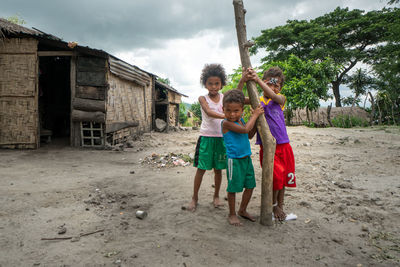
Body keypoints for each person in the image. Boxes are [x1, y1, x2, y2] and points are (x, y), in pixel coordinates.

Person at [246, 66, 297, 221]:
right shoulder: (257, 103)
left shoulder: (280, 100)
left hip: (284, 146)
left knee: (283, 178)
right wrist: (246, 79)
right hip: (268, 148)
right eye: (271, 84)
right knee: (275, 177)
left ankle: (280, 206)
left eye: (277, 85)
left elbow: (275, 96)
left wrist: (258, 80)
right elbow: (238, 99)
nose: (274, 88)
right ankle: (273, 205)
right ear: (264, 83)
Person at [186, 63, 228, 212]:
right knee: (201, 169)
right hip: (206, 138)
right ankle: (194, 198)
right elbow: (209, 112)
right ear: (205, 84)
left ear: (222, 84)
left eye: (217, 83)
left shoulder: (225, 97)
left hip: (221, 138)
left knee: (218, 170)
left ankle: (216, 196)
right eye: (210, 83)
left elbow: (239, 95)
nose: (214, 87)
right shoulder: (202, 98)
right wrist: (225, 115)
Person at [221, 89, 264, 226]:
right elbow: (245, 130)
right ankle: (232, 214)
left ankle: (242, 210)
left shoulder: (241, 121)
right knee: (233, 188)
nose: (232, 114)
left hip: (246, 159)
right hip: (234, 161)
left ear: (242, 110)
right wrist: (256, 115)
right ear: (223, 109)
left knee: (250, 186)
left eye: (236, 111)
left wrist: (256, 123)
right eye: (228, 110)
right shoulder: (225, 123)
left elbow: (249, 135)